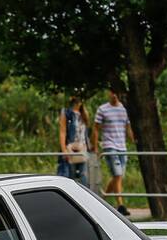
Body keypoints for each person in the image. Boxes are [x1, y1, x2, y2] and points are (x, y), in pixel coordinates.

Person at [93, 87, 135, 215]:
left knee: (118, 176)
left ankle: (100, 200)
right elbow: (95, 128)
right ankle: (121, 205)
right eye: (113, 92)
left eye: (117, 93)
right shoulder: (103, 109)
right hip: (109, 145)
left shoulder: (123, 109)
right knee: (117, 175)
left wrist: (133, 139)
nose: (115, 95)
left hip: (122, 146)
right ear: (109, 93)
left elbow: (128, 127)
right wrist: (95, 146)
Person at [57, 95, 90, 186]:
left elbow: (86, 132)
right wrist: (64, 150)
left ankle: (84, 197)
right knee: (69, 176)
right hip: (70, 148)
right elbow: (62, 131)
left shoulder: (83, 113)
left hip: (82, 148)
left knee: (83, 176)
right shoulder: (67, 112)